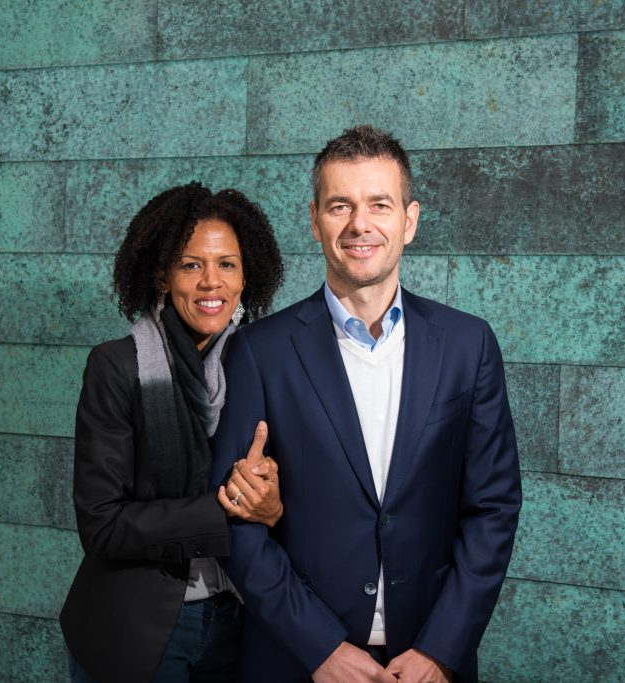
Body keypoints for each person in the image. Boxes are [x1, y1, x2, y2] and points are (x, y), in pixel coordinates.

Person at [210, 125, 522, 683]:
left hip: (426, 662)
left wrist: (439, 652)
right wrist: (320, 647)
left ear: (409, 220)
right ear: (315, 220)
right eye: (340, 206)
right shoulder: (260, 351)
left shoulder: (468, 345)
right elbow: (236, 523)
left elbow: (493, 509)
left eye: (379, 203)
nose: (360, 224)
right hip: (297, 661)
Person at [60, 182, 286, 683]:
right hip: (140, 629)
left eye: (227, 264)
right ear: (162, 276)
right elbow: (102, 525)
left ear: (246, 277)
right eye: (191, 265)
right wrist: (224, 509)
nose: (212, 282)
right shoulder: (116, 366)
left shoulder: (264, 367)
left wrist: (272, 508)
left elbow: (291, 500)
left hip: (240, 619)